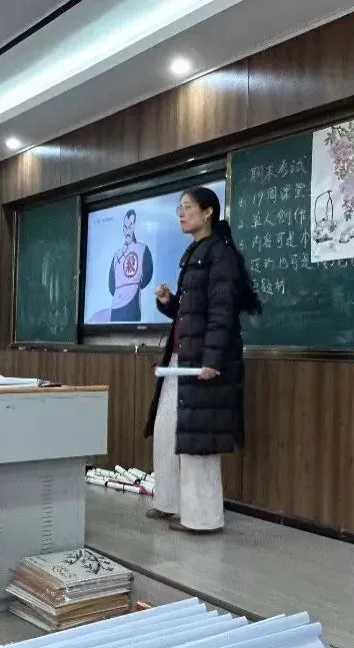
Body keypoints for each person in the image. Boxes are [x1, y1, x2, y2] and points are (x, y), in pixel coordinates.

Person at [143, 186, 262, 534]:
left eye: (187, 207)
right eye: (179, 208)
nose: (181, 213)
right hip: (181, 358)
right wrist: (169, 302)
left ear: (208, 211)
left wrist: (212, 359)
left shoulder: (220, 254)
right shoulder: (195, 252)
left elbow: (222, 313)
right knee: (166, 430)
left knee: (199, 441)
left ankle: (203, 518)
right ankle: (169, 502)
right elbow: (191, 312)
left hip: (203, 362)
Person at [107, 209, 154, 322]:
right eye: (125, 227)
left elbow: (148, 273)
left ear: (135, 227)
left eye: (130, 226)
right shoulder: (117, 255)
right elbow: (111, 284)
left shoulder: (142, 249)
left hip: (132, 305)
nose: (127, 230)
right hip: (116, 308)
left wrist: (134, 285)